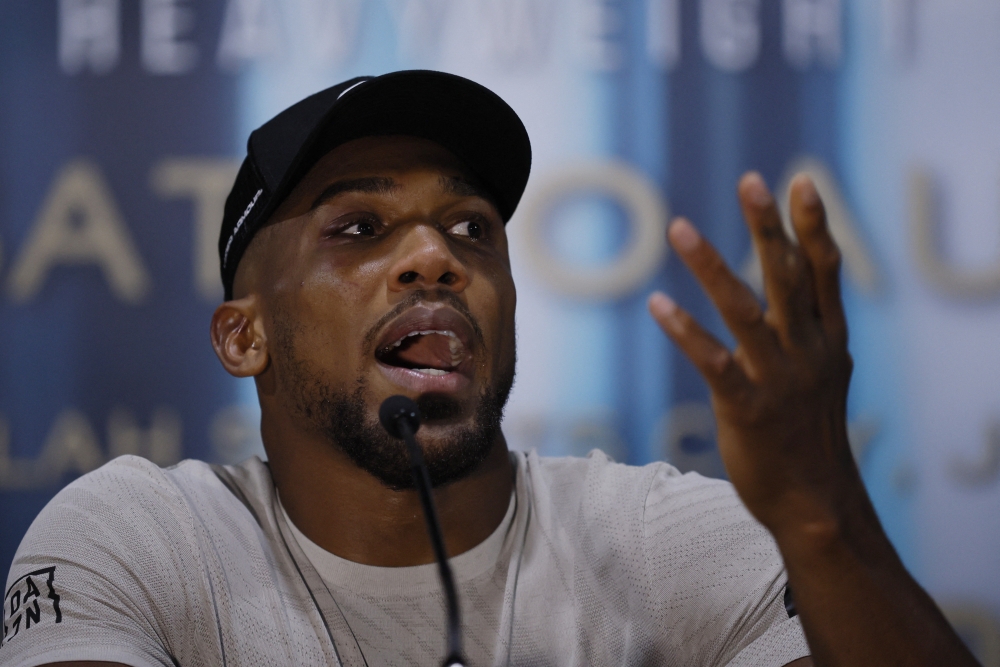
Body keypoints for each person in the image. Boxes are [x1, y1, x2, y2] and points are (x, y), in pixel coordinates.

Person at [0, 71, 978, 667]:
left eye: (471, 227)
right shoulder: (139, 539)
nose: (436, 257)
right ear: (242, 337)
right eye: (360, 227)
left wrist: (820, 514)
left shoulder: (668, 539)